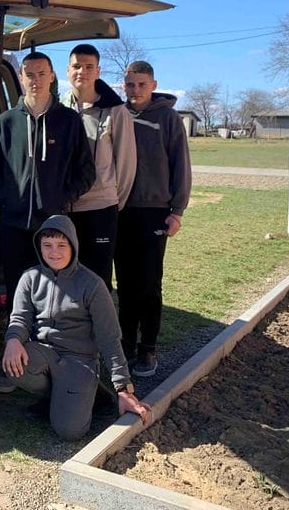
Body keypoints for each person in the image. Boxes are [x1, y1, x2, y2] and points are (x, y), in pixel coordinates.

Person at [0, 215, 151, 441]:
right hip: (43, 352)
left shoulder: (92, 284)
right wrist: (12, 340)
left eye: (62, 245)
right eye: (47, 245)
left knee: (70, 432)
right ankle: (65, 397)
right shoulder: (30, 278)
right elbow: (20, 317)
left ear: (73, 246)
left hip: (79, 360)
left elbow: (109, 337)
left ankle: (94, 394)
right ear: (39, 247)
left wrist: (123, 388)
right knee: (15, 364)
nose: (54, 252)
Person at [0, 51, 96, 317]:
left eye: (42, 74)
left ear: (52, 77)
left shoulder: (68, 121)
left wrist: (62, 198)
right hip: (14, 224)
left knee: (53, 292)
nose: (36, 80)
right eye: (30, 75)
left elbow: (87, 172)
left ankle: (48, 349)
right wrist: (9, 196)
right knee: (17, 290)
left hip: (53, 226)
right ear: (21, 78)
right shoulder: (6, 122)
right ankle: (16, 347)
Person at [114, 61, 192, 378]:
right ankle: (126, 345)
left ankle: (147, 349)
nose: (135, 90)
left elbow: (181, 166)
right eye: (130, 84)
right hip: (119, 211)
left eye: (142, 84)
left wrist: (177, 211)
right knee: (125, 284)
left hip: (154, 213)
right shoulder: (117, 115)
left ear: (153, 84)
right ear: (124, 85)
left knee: (148, 283)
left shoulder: (168, 118)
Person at [60, 43, 136, 291]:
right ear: (68, 70)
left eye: (89, 66)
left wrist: (112, 200)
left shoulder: (116, 111)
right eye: (77, 66)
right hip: (65, 206)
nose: (82, 71)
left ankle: (99, 329)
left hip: (100, 208)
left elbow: (126, 163)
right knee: (66, 273)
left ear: (98, 71)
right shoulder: (58, 108)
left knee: (96, 278)